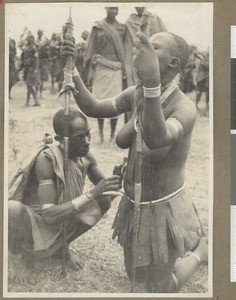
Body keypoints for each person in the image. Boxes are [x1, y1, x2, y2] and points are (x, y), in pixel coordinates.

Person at [61, 30, 208, 293]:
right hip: (135, 201)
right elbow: (94, 107)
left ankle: (200, 253)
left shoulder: (184, 107)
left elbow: (157, 138)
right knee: (134, 276)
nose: (140, 50)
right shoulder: (136, 93)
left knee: (158, 286)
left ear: (173, 63)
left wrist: (150, 85)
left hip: (164, 208)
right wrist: (72, 68)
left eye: (153, 47)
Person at [8, 108, 122, 284]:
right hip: (34, 227)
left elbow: (106, 192)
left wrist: (119, 177)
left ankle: (62, 246)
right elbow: (48, 216)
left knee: (104, 201)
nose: (87, 142)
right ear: (60, 140)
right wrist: (92, 194)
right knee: (11, 209)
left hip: (64, 220)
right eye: (79, 137)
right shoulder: (47, 159)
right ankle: (16, 257)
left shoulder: (87, 157)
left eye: (88, 134)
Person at [84, 7, 126, 143]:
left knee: (115, 103)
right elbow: (90, 50)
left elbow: (127, 50)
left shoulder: (122, 28)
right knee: (100, 102)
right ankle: (101, 135)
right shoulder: (97, 27)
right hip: (101, 69)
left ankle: (112, 135)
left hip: (116, 70)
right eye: (112, 8)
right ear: (106, 8)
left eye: (116, 9)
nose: (114, 11)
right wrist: (90, 65)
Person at [124, 7, 167, 88]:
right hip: (139, 58)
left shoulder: (155, 19)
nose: (139, 7)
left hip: (155, 57)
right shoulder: (130, 21)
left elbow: (165, 36)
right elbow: (127, 45)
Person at [18, 34, 40, 106]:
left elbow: (36, 60)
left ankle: (27, 102)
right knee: (28, 85)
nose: (30, 40)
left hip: (32, 68)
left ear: (33, 40)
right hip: (26, 68)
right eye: (28, 39)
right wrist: (20, 67)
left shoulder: (34, 48)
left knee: (29, 85)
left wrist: (35, 70)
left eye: (31, 39)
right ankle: (36, 101)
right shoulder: (25, 48)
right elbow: (22, 58)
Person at [35, 29, 50, 98]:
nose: (39, 34)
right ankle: (36, 92)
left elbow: (47, 53)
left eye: (41, 33)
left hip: (42, 61)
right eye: (38, 33)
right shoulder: (35, 42)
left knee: (41, 78)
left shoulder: (44, 42)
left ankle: (40, 93)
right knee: (36, 77)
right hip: (36, 61)